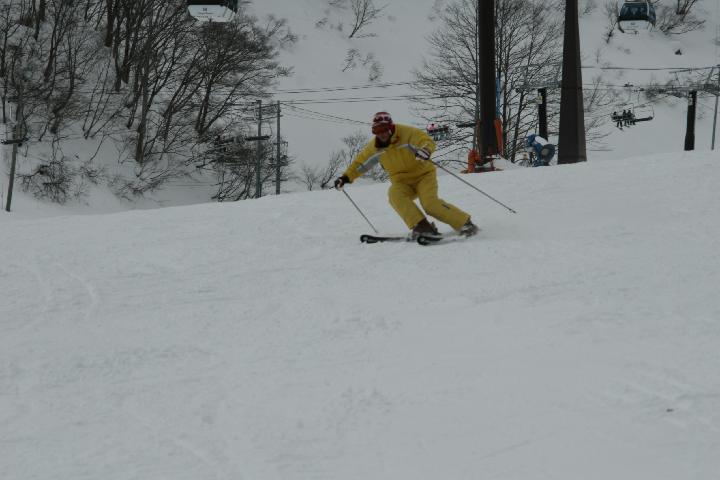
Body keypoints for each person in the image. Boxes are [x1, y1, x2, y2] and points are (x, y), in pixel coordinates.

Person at [334, 111, 478, 239]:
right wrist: (345, 178)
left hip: (423, 175)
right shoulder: (375, 147)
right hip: (401, 182)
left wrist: (426, 150)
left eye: (384, 130)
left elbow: (426, 140)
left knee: (430, 204)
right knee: (394, 195)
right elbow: (360, 164)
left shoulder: (406, 133)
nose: (381, 134)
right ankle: (423, 227)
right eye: (377, 131)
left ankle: (465, 223)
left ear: (390, 127)